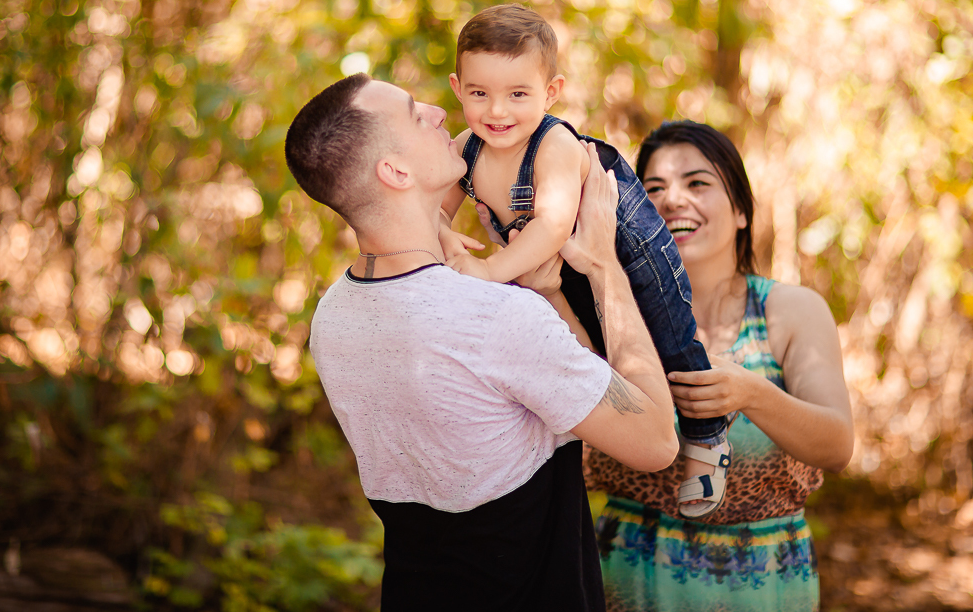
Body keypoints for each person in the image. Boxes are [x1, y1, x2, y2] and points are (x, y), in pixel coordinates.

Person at [283, 72, 679, 612]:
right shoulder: (492, 317)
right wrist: (606, 267)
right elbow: (655, 441)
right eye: (412, 113)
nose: (437, 111)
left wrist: (551, 298)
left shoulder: (333, 318)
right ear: (395, 171)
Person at [439, 3, 731, 516]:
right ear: (458, 88)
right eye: (480, 93)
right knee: (593, 351)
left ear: (551, 93)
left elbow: (552, 224)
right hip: (561, 265)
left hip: (630, 250)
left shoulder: (552, 143)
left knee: (669, 337)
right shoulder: (466, 149)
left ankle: (708, 438)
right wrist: (443, 237)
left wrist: (488, 271)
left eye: (518, 94)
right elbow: (432, 211)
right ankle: (625, 435)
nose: (497, 111)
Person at [587, 120, 854, 612]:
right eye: (653, 190)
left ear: (740, 212)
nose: (672, 201)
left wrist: (753, 394)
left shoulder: (790, 311)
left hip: (764, 584)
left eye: (697, 183)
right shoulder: (613, 312)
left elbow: (837, 447)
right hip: (628, 580)